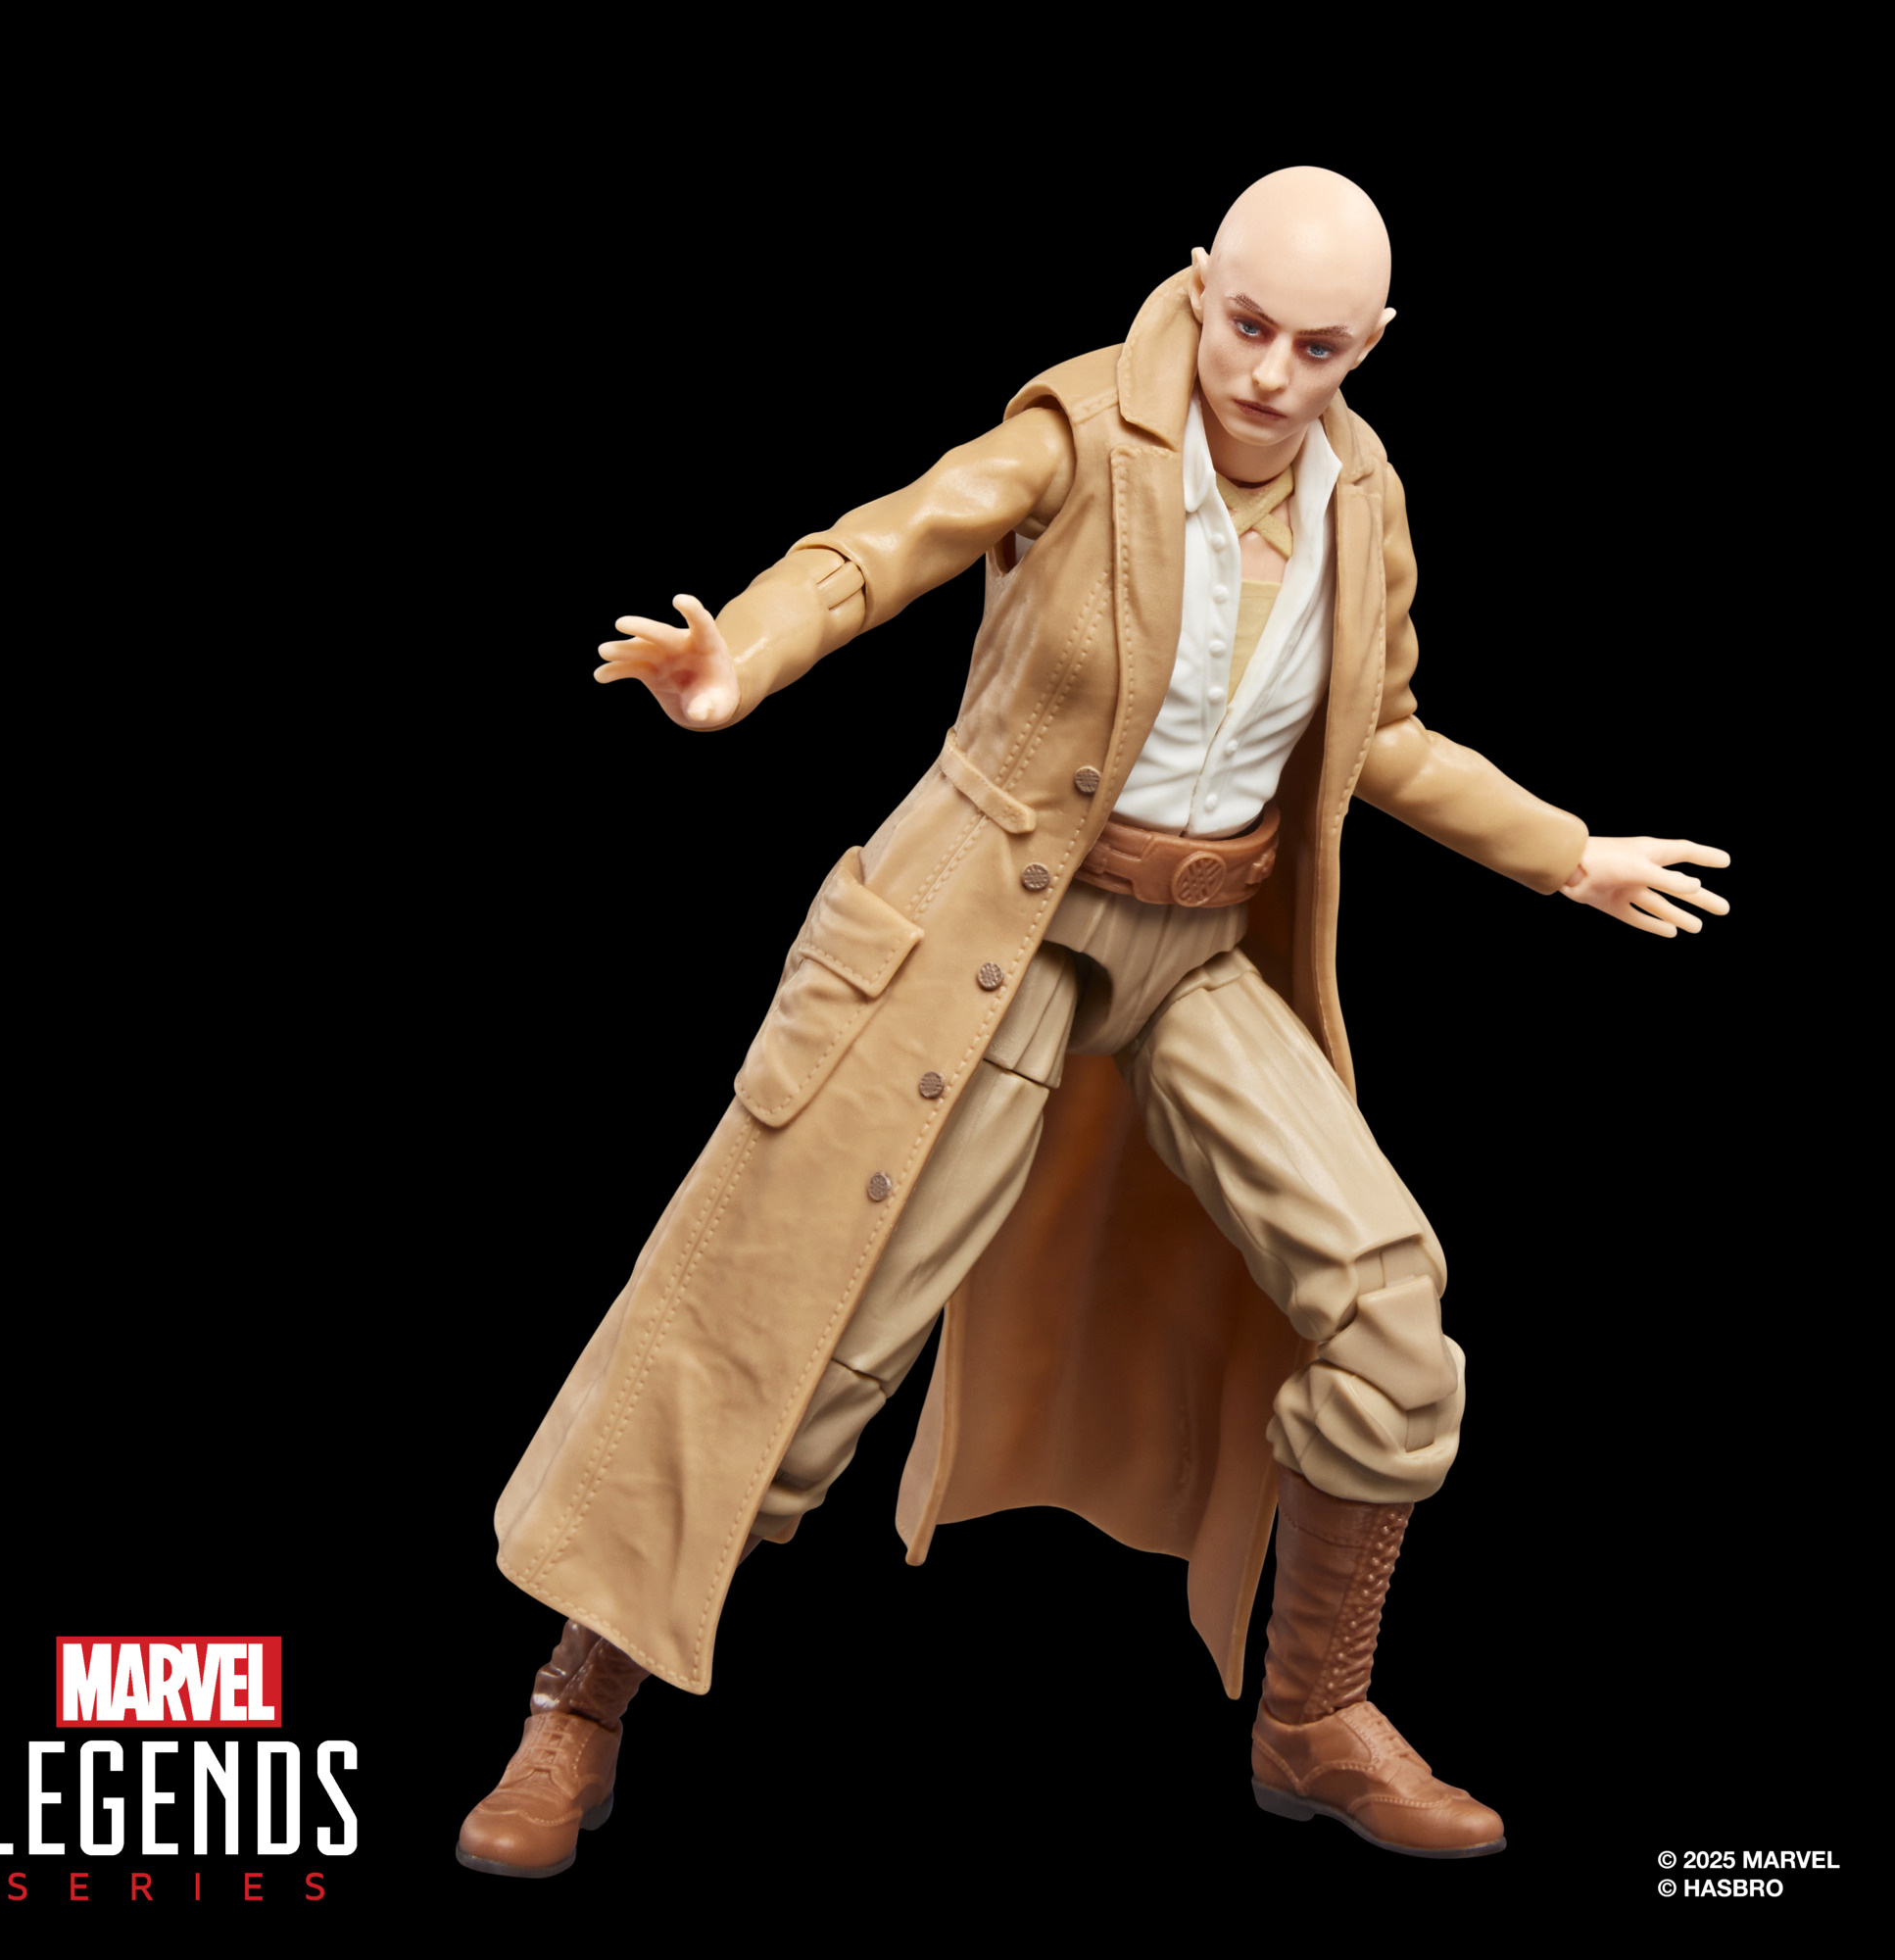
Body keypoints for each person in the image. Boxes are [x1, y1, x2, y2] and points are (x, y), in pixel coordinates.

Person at [457, 166, 1728, 1874]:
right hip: (1005, 927)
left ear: (1374, 344)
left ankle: (1315, 1717)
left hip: (1199, 950)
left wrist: (1568, 855)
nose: (1270, 372)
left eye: (1320, 347)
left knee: (1391, 1313)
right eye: (1248, 323)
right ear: (1199, 283)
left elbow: (1382, 735)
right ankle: (578, 1704)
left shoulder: (1362, 502)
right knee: (809, 1335)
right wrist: (740, 657)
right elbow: (891, 541)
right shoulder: (1082, 431)